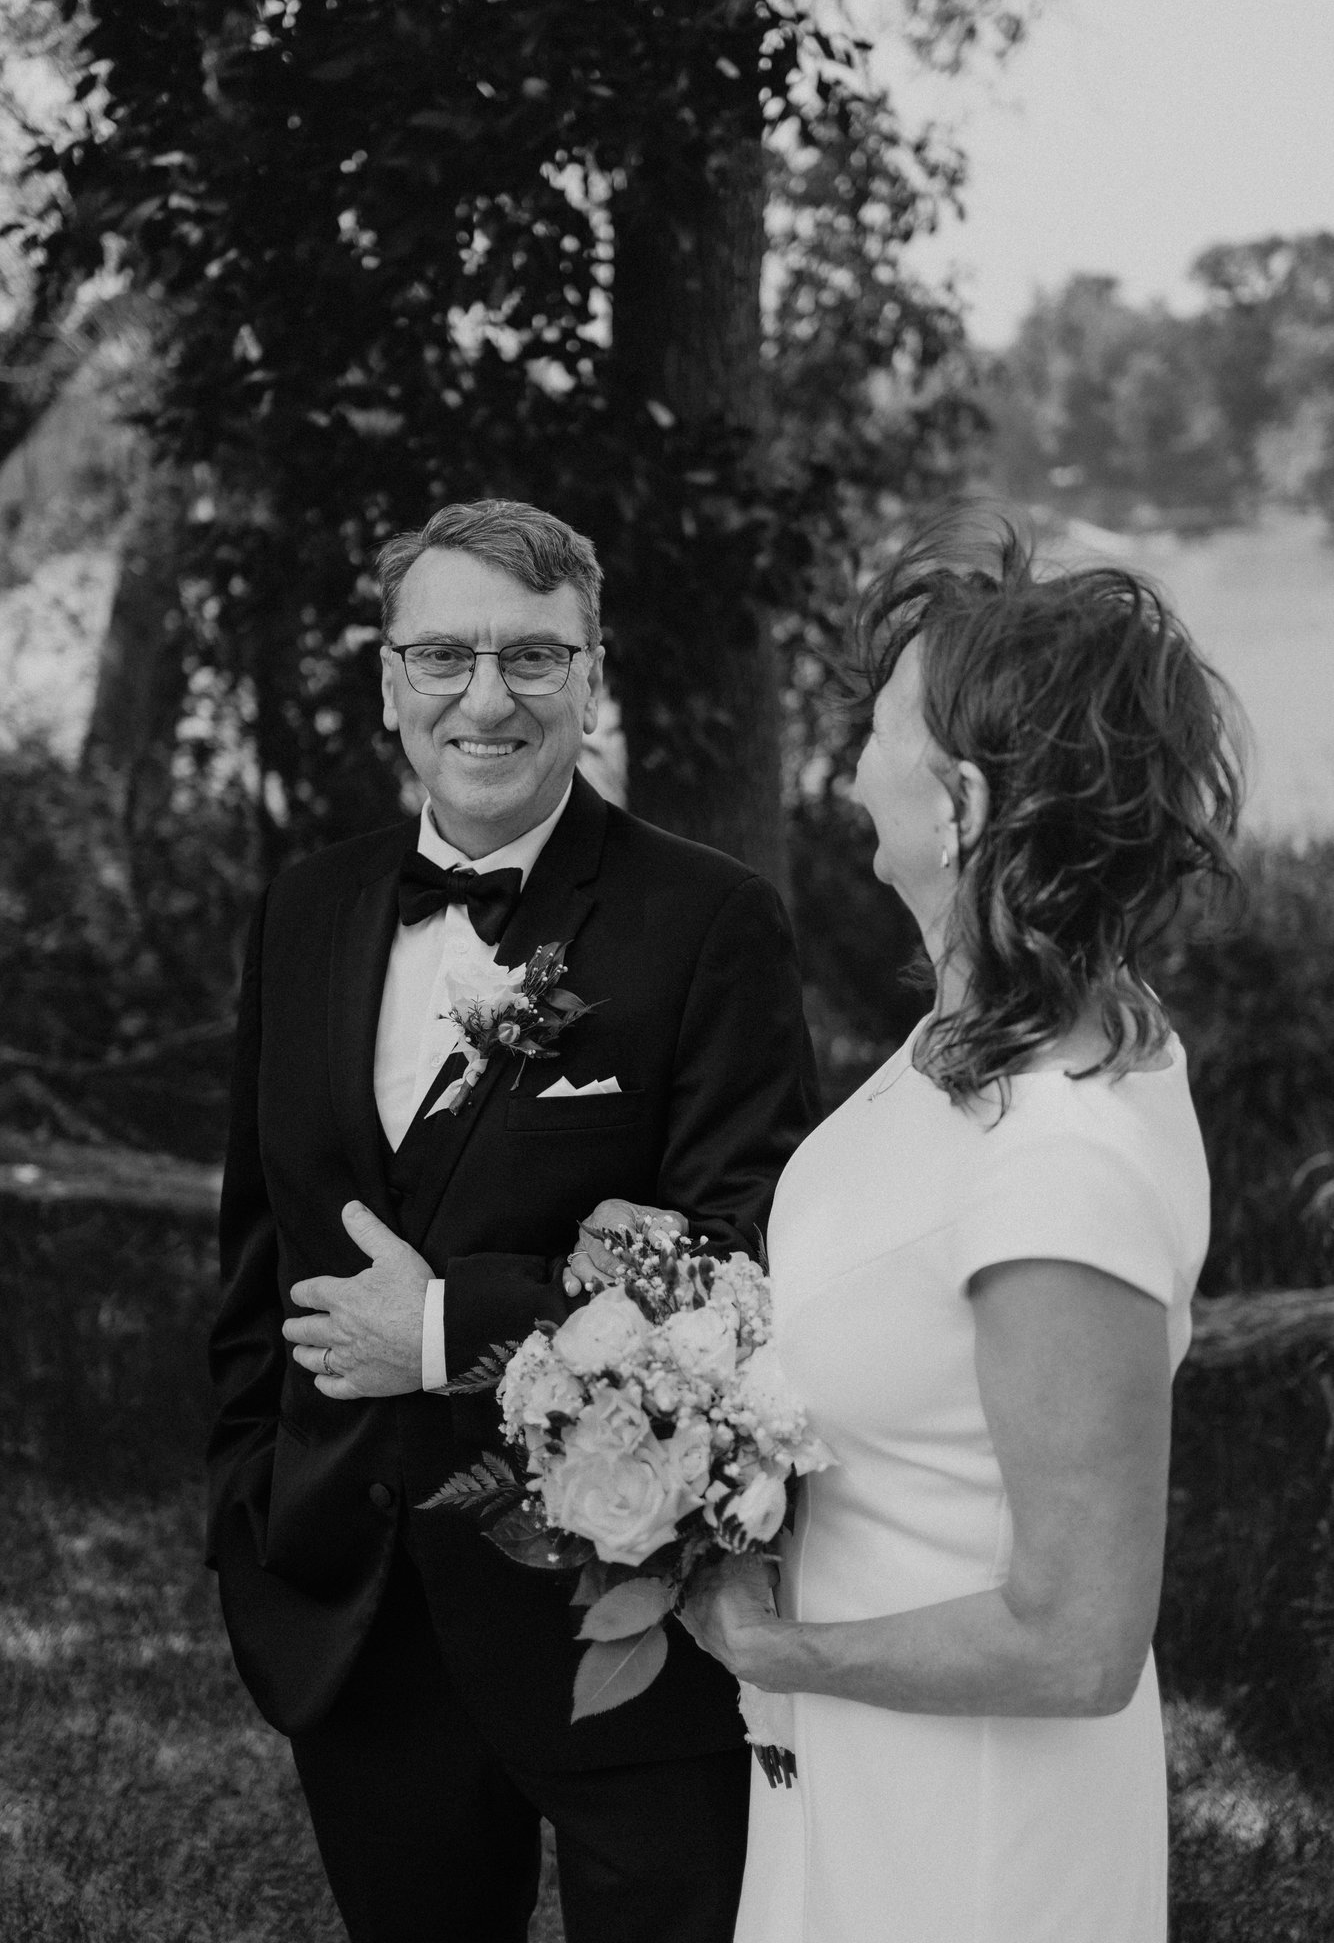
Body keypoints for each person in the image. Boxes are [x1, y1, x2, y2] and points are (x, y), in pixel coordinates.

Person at [205, 499, 818, 1943]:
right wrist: (247, 1499)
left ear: (592, 675)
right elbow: (255, 1252)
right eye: (444, 657)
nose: (486, 699)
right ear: (387, 680)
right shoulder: (305, 909)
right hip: (353, 1609)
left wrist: (438, 1328)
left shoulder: (709, 920)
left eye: (533, 659)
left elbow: (736, 1254)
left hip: (625, 1615)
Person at [680, 519, 1245, 1943]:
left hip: (974, 1831)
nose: (845, 757)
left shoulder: (1061, 1164)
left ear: (962, 806)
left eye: (877, 725)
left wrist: (770, 1644)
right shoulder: (990, 1026)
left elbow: (1074, 1640)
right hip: (854, 1767)